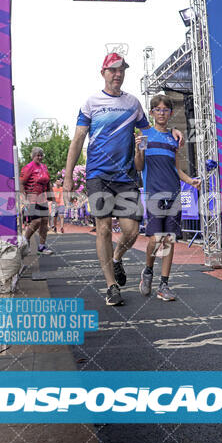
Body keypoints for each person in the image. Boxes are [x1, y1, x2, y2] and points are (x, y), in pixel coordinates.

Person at [63, 52, 183, 306]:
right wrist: (67, 179)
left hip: (126, 175)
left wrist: (171, 130)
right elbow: (77, 141)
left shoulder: (132, 103)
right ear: (103, 73)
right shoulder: (91, 103)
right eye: (112, 70)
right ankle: (111, 286)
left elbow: (149, 129)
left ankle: (117, 258)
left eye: (121, 70)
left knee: (130, 231)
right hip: (98, 174)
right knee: (104, 228)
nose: (117, 74)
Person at [135, 94, 201, 300]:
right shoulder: (145, 134)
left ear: (170, 113)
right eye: (157, 110)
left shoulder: (174, 138)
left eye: (165, 110)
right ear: (152, 112)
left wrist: (190, 181)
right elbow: (139, 166)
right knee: (156, 239)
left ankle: (164, 284)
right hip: (154, 194)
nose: (161, 113)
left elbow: (176, 169)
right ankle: (148, 271)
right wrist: (138, 150)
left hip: (174, 194)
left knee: (170, 240)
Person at [19, 147, 53, 255]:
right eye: (37, 155)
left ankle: (42, 246)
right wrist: (24, 198)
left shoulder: (44, 167)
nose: (40, 157)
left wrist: (51, 196)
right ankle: (25, 241)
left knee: (44, 222)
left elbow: (48, 183)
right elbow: (21, 183)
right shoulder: (28, 167)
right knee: (36, 221)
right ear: (33, 156)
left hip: (42, 198)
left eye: (41, 155)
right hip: (32, 198)